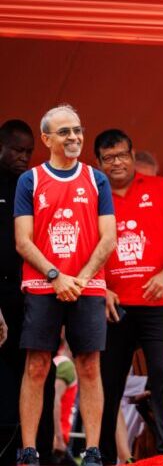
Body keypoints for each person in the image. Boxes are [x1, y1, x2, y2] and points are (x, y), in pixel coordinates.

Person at [13, 105, 117, 466]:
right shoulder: (30, 180)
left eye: (77, 130)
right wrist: (56, 276)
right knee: (37, 365)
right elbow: (22, 240)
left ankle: (93, 450)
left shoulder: (96, 179)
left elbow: (109, 238)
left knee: (89, 366)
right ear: (46, 139)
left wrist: (81, 279)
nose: (74, 137)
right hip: (43, 284)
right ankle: (29, 450)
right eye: (64, 132)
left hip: (87, 286)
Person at [94, 129, 163, 464]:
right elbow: (81, 248)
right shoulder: (93, 195)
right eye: (108, 158)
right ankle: (103, 456)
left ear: (132, 155)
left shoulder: (161, 187)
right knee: (106, 383)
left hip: (159, 303)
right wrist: (99, 286)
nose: (116, 163)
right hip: (112, 305)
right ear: (99, 163)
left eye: (122, 155)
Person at [0, 119, 57, 466]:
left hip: (34, 295)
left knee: (40, 371)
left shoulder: (34, 186)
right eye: (17, 150)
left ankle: (40, 453)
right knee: (5, 381)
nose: (24, 157)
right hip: (2, 296)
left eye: (29, 151)